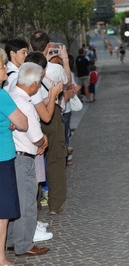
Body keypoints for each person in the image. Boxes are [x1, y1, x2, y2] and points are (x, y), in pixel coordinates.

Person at [6, 62, 52, 256]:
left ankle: (11, 240)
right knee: (27, 203)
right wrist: (43, 141)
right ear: (34, 84)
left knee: (14, 202)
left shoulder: (10, 94)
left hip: (12, 155)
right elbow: (35, 136)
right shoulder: (25, 104)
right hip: (23, 157)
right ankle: (24, 244)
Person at [30, 30, 70, 215]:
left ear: (31, 46)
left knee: (34, 159)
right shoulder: (56, 69)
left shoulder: (25, 67)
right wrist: (65, 60)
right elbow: (67, 84)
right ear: (47, 47)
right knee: (55, 158)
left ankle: (35, 204)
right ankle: (55, 204)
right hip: (51, 114)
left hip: (31, 115)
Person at [0, 48, 28, 265]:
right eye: (2, 67)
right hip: (3, 157)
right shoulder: (2, 95)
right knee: (3, 212)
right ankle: (1, 258)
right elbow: (22, 122)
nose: (5, 71)